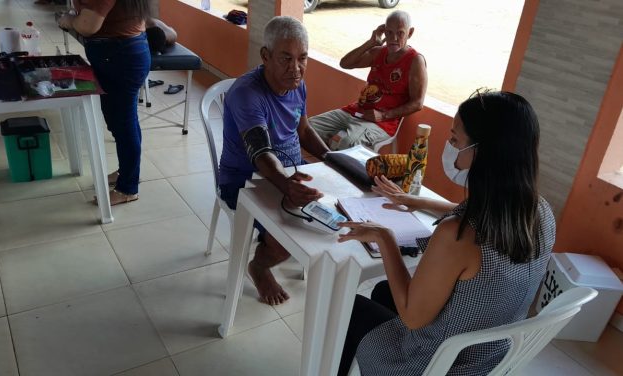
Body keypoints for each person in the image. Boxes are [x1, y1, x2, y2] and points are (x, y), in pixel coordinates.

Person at [336, 90, 556, 375]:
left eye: (455, 139)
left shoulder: (457, 235)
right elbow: (473, 215)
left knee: (349, 308)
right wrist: (418, 201)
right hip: (489, 356)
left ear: (482, 151)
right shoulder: (539, 211)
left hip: (439, 366)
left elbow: (413, 318)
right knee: (382, 291)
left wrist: (385, 238)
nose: (450, 145)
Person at [218, 16, 330, 305]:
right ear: (265, 56)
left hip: (293, 171)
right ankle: (259, 264)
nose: (296, 68)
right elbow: (261, 153)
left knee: (335, 217)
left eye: (302, 58)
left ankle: (273, 244)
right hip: (244, 180)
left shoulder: (297, 85)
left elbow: (303, 130)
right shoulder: (247, 94)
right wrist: (286, 185)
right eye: (286, 58)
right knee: (290, 237)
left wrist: (331, 158)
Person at [58, 1, 151, 205]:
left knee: (123, 123)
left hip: (120, 56)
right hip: (120, 53)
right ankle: (127, 171)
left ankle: (128, 188)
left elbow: (88, 26)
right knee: (122, 121)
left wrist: (69, 20)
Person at [309, 10, 427, 151]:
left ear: (410, 32)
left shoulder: (415, 61)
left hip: (382, 123)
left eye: (400, 33)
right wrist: (370, 42)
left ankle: (334, 166)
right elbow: (345, 63)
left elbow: (418, 103)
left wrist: (383, 115)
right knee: (306, 128)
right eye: (389, 32)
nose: (393, 38)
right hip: (356, 111)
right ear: (384, 30)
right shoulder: (379, 52)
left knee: (344, 143)